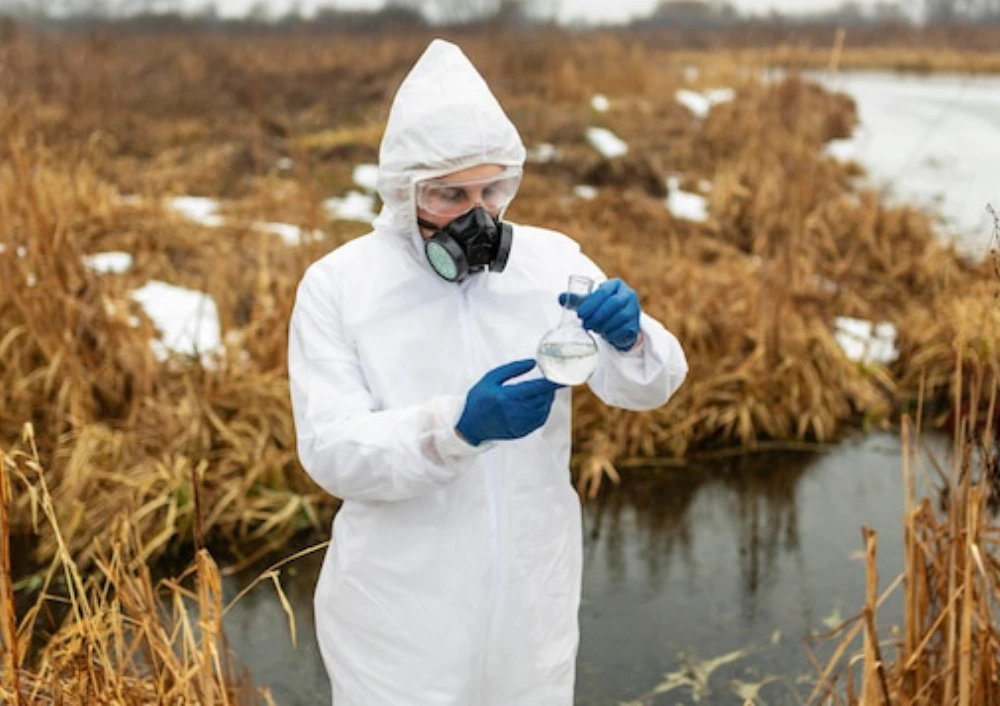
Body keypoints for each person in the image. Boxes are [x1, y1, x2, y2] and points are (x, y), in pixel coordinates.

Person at [287, 39, 688, 706]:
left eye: (493, 188)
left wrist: (632, 337)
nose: (479, 215)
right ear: (402, 190)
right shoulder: (341, 286)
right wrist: (454, 430)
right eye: (450, 194)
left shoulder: (547, 260)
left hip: (533, 607)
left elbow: (648, 388)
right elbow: (331, 452)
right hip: (400, 618)